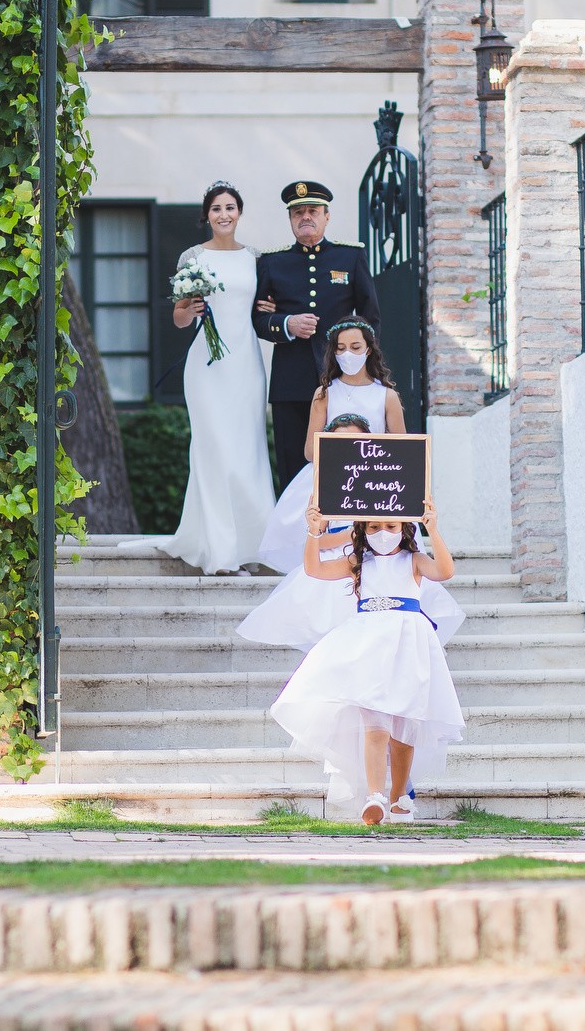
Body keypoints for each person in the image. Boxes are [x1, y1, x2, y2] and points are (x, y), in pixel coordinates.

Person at [268, 497, 463, 825]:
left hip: (409, 646)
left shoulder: (414, 561)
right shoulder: (359, 562)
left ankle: (399, 796)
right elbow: (315, 569)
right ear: (362, 529)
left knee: (405, 726)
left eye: (390, 526)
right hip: (369, 646)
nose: (383, 532)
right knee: (376, 724)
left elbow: (445, 571)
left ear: (404, 528)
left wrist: (433, 528)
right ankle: (375, 795)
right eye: (374, 527)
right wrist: (314, 533)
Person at [135, 181, 276, 573]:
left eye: (230, 207)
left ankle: (253, 546)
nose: (224, 214)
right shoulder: (192, 257)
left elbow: (262, 309)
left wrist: (269, 305)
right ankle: (220, 550)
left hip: (245, 363)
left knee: (247, 452)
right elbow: (179, 319)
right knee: (213, 449)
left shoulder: (255, 258)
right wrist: (192, 307)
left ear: (240, 212)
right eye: (217, 208)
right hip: (206, 366)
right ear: (207, 215)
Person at [252, 181, 382, 490]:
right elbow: (257, 319)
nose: (305, 217)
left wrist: (359, 363)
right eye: (298, 212)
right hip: (290, 379)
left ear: (326, 216)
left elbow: (371, 316)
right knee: (293, 461)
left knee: (345, 459)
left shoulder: (349, 258)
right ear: (290, 219)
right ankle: (296, 533)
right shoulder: (273, 263)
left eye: (312, 211)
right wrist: (286, 323)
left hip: (341, 378)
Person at [254, 319, 405, 574]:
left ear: (369, 349)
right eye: (341, 348)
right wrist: (338, 453)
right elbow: (310, 451)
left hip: (373, 479)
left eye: (356, 347)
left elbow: (401, 450)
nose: (348, 354)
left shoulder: (386, 395)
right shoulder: (324, 394)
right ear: (334, 352)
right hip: (330, 476)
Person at [236, 413, 371, 650]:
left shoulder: (379, 480)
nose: (347, 448)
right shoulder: (325, 485)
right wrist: (353, 534)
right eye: (339, 443)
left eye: (354, 442)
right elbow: (319, 540)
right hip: (338, 556)